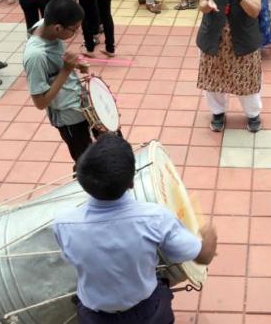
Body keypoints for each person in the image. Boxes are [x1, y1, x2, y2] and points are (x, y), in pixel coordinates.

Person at [53, 133, 217, 324]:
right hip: (146, 312)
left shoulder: (62, 224)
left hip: (94, 316)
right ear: (132, 182)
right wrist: (209, 234)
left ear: (81, 181)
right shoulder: (155, 219)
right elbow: (204, 256)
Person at [198, 0, 265, 132]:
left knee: (246, 77)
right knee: (213, 76)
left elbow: (254, 10)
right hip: (215, 36)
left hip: (242, 36)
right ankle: (217, 112)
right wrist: (206, 4)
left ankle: (253, 114)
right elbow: (203, 2)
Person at [24, 0, 99, 162]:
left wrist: (76, 64)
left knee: (110, 141)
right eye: (74, 29)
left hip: (82, 102)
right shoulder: (36, 56)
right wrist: (66, 70)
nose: (77, 33)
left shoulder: (44, 24)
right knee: (86, 161)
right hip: (68, 117)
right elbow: (40, 103)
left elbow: (58, 63)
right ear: (58, 28)